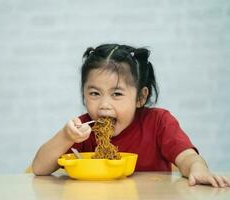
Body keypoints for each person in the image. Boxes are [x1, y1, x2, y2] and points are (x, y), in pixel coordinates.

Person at [31, 44, 230, 187]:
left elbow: (188, 157)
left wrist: (199, 169)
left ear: (141, 97)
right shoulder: (83, 129)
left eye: (117, 94)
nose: (104, 105)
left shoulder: (159, 122)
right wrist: (66, 137)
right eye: (94, 93)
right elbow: (39, 168)